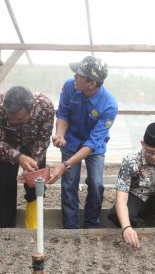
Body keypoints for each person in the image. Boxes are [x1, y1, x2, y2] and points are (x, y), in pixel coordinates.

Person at [48, 56, 118, 229]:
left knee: (97, 183)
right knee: (69, 183)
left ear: (91, 83)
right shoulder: (69, 86)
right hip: (71, 140)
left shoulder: (109, 105)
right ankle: (70, 227)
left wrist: (65, 164)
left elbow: (93, 143)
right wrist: (59, 135)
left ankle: (91, 224)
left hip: (93, 146)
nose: (74, 77)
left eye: (78, 74)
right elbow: (63, 113)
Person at [0, 86, 54, 228]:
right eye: (9, 117)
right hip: (7, 146)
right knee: (4, 185)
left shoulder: (45, 107)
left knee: (35, 185)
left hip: (33, 145)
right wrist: (18, 157)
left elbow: (43, 139)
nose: (12, 122)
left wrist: (33, 163)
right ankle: (5, 227)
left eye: (18, 118)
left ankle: (33, 226)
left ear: (30, 111)